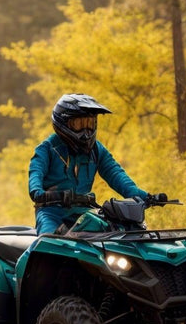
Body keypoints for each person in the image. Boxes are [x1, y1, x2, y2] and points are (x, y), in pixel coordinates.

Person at [28, 93, 163, 234]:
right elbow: (35, 172)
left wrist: (146, 197)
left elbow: (116, 174)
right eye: (79, 124)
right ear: (63, 123)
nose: (86, 131)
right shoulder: (47, 148)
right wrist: (37, 191)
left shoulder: (96, 150)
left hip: (85, 213)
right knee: (48, 244)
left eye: (90, 124)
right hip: (52, 213)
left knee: (122, 236)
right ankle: (28, 256)